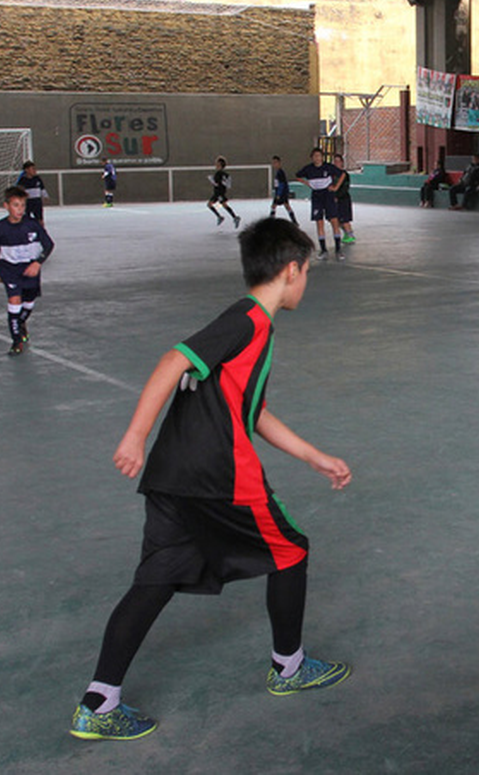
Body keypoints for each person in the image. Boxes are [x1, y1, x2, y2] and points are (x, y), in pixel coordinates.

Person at [69, 217, 352, 743]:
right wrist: (134, 435)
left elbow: (251, 410)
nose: (306, 282)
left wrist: (312, 456)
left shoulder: (250, 327)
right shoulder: (247, 321)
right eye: (308, 272)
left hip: (173, 475)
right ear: (292, 270)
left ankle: (98, 702)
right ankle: (289, 668)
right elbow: (173, 360)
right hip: (219, 474)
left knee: (156, 578)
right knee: (290, 550)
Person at [0, 186, 55, 355]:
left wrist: (37, 263)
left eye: (23, 205)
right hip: (9, 269)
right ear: (6, 206)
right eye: (16, 205)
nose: (20, 209)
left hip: (29, 269)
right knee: (14, 301)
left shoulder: (32, 225)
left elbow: (49, 245)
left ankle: (21, 322)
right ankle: (16, 341)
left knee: (28, 303)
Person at [295, 147, 344, 260]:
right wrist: (308, 184)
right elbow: (297, 176)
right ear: (311, 158)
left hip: (328, 195)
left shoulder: (328, 167)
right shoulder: (308, 169)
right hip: (317, 196)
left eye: (319, 156)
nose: (317, 158)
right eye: (315, 156)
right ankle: (323, 250)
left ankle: (338, 249)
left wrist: (336, 187)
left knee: (334, 220)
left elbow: (342, 174)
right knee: (319, 222)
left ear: (322, 157)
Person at [207, 156, 241, 228]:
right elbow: (227, 184)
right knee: (210, 204)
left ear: (220, 164)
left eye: (217, 163)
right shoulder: (224, 174)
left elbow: (217, 183)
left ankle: (235, 217)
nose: (215, 165)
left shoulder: (219, 173)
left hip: (219, 192)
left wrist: (211, 180)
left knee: (224, 204)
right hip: (217, 192)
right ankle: (220, 217)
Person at [332, 154, 355, 245]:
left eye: (338, 161)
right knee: (335, 219)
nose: (336, 163)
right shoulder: (332, 175)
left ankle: (350, 235)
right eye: (335, 161)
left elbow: (345, 188)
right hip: (334, 200)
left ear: (342, 163)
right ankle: (346, 233)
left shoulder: (345, 175)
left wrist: (337, 196)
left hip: (343, 199)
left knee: (344, 219)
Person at [16, 161, 49, 226]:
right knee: (26, 219)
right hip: (28, 202)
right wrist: (23, 194)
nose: (35, 170)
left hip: (37, 202)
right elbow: (19, 190)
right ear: (27, 170)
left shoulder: (37, 179)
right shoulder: (23, 180)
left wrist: (45, 196)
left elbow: (42, 188)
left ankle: (40, 230)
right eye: (32, 169)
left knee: (39, 219)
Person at [269, 156, 298, 224]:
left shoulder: (281, 173)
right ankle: (294, 221)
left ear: (279, 163)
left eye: (275, 162)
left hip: (281, 193)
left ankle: (270, 222)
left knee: (275, 206)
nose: (274, 164)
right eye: (273, 163)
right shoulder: (278, 172)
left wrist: (279, 194)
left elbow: (282, 184)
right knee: (284, 206)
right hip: (280, 193)